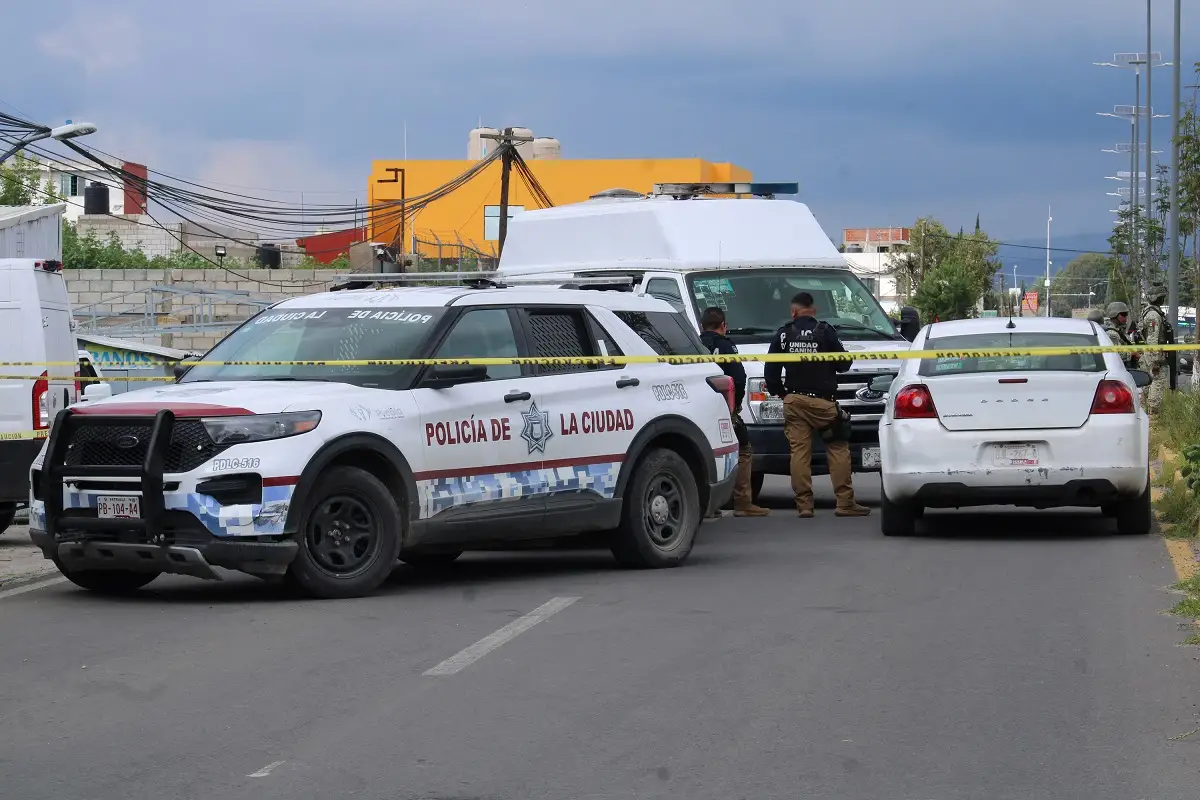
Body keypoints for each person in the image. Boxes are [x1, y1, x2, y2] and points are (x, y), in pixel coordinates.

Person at [764, 292, 870, 519]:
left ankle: (804, 505)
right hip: (823, 402)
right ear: (814, 310)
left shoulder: (783, 334)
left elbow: (770, 373)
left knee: (800, 453)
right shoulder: (825, 331)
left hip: (795, 401)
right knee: (838, 447)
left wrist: (783, 395)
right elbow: (843, 364)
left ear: (793, 312)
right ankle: (844, 503)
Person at [699, 308, 769, 518]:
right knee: (744, 449)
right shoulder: (726, 346)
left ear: (702, 326)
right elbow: (738, 378)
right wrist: (734, 407)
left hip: (697, 409)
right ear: (723, 326)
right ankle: (743, 502)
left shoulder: (693, 344)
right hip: (725, 409)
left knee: (705, 454)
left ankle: (708, 506)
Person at [1139, 282, 1172, 413]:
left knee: (1148, 382)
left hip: (1149, 354)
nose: (1163, 299)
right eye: (1162, 297)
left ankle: (1145, 411)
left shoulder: (1149, 312)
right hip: (1154, 355)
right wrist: (1156, 361)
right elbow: (1153, 339)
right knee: (1157, 381)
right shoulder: (1154, 315)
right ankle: (1153, 412)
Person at [1104, 301, 1135, 368]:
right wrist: (1132, 354)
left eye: (1126, 314)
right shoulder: (1111, 334)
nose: (1126, 317)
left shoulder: (1119, 330)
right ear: (1114, 315)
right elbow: (1116, 354)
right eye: (1123, 314)